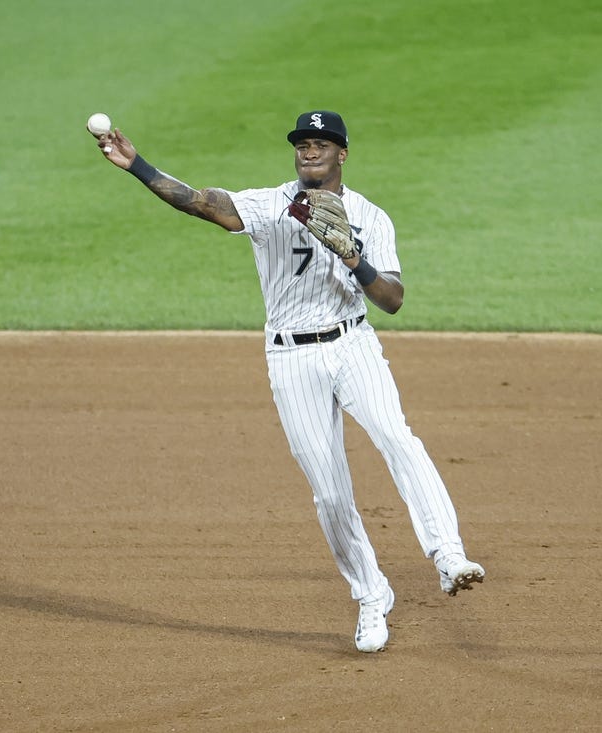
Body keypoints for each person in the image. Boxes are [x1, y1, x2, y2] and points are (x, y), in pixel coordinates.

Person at [91, 110, 484, 653]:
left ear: (342, 153)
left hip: (353, 345)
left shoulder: (372, 216)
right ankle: (371, 595)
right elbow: (202, 202)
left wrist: (353, 256)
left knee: (397, 438)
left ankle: (447, 555)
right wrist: (137, 166)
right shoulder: (271, 205)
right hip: (291, 357)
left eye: (321, 143)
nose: (309, 151)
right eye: (302, 143)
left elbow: (392, 299)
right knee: (329, 489)